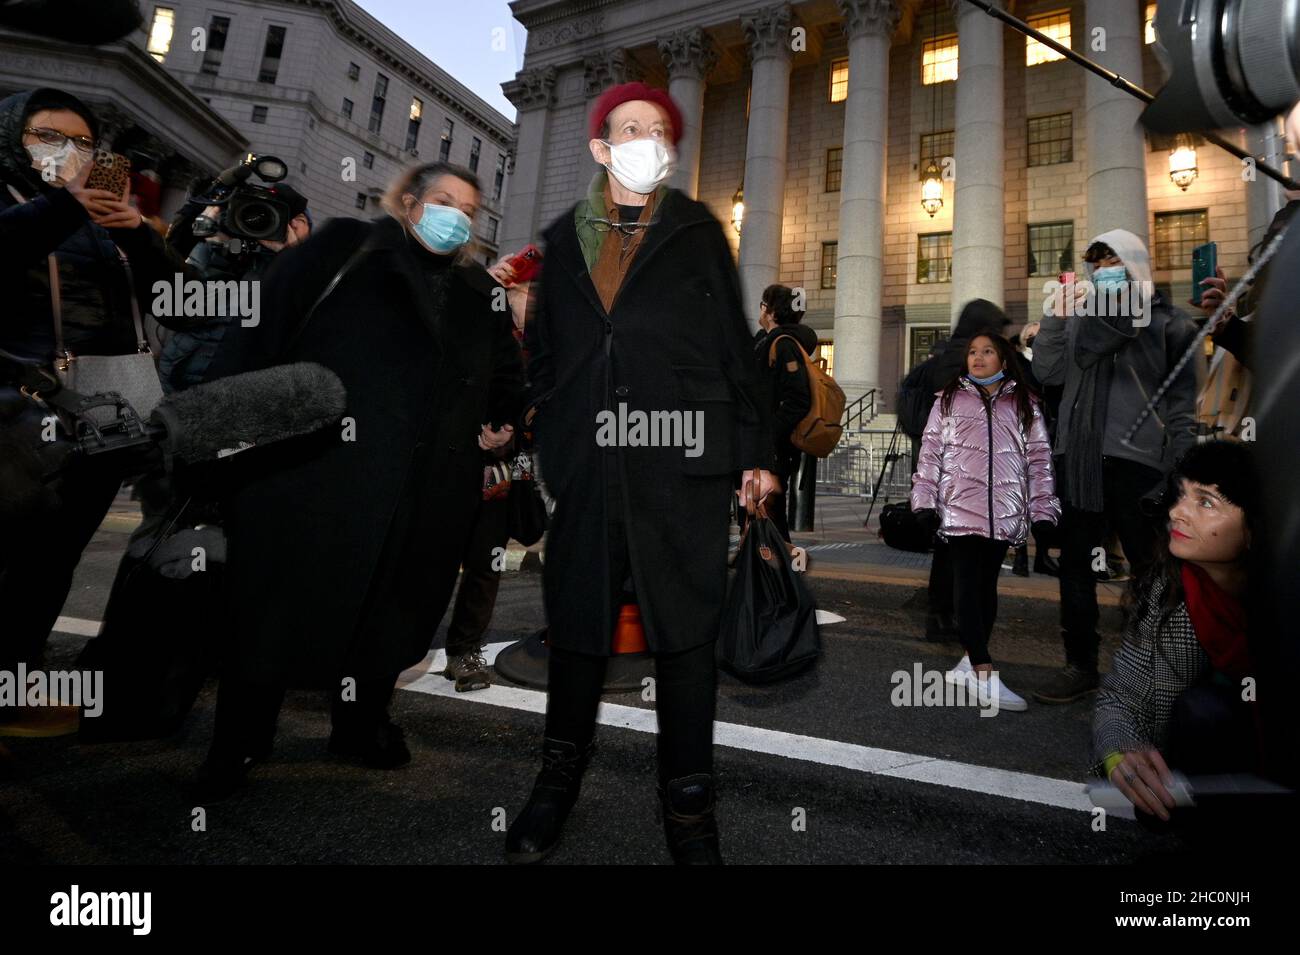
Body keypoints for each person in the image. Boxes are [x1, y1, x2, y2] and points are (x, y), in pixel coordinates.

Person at [505, 82, 777, 865]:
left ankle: (691, 815)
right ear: (600, 147)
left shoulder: (697, 232)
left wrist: (753, 452)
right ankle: (554, 786)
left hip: (683, 462)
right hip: (590, 468)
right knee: (580, 629)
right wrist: (556, 435)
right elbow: (545, 355)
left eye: (659, 130)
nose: (647, 139)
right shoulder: (562, 241)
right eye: (631, 128)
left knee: (686, 636)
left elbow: (735, 349)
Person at [194, 161, 523, 798]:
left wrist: (503, 425)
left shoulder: (480, 294)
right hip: (308, 479)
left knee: (390, 615)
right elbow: (255, 342)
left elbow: (506, 384)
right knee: (269, 614)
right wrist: (218, 447)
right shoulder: (341, 249)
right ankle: (238, 741)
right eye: (443, 200)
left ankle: (362, 723)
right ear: (407, 202)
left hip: (423, 492)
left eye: (469, 209)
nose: (458, 215)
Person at [0, 88, 190, 738]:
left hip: (100, 418)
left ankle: (15, 682)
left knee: (50, 563)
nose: (69, 151)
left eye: (82, 142)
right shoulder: (19, 201)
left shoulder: (103, 223)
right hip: (18, 415)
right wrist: (61, 205)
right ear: (16, 137)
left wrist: (139, 235)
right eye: (49, 135)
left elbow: (182, 301)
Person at [1032, 230, 1198, 704]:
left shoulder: (1167, 322)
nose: (1103, 268)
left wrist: (1179, 465)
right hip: (1080, 462)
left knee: (1152, 570)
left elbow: (1183, 401)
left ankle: (1155, 667)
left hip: (1140, 464)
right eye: (1096, 260)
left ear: (1135, 264)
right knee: (1076, 569)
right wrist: (1053, 319)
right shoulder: (1079, 319)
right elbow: (1048, 374)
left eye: (1113, 259)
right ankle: (1079, 664)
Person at [1092, 441, 1280, 844]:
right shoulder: (1172, 589)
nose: (1178, 512)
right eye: (1182, 495)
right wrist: (1120, 753)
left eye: (1207, 503)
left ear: (1254, 531)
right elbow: (1122, 695)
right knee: (1203, 711)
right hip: (1220, 764)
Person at [911, 332, 1059, 711]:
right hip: (959, 509)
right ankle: (982, 669)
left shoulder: (1025, 403)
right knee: (965, 586)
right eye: (973, 352)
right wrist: (924, 502)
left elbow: (1039, 460)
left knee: (986, 587)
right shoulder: (948, 399)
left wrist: (1043, 512)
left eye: (987, 351)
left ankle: (967, 663)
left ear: (1004, 359)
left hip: (1004, 513)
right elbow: (929, 453)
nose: (977, 358)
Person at [753, 282, 815, 545]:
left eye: (763, 305)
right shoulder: (766, 342)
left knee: (770, 511)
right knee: (758, 509)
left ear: (772, 312)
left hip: (773, 448)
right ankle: (760, 567)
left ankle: (780, 573)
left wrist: (769, 435)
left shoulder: (784, 345)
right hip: (763, 446)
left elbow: (798, 400)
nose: (760, 309)